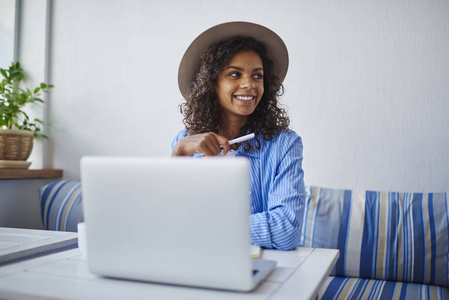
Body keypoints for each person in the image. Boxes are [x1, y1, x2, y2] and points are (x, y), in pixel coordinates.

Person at [171, 22, 305, 251]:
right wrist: (178, 154)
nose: (249, 84)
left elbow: (287, 229)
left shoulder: (284, 144)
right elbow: (170, 221)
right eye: (234, 74)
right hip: (194, 259)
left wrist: (211, 226)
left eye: (257, 76)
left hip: (256, 264)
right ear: (211, 83)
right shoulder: (185, 142)